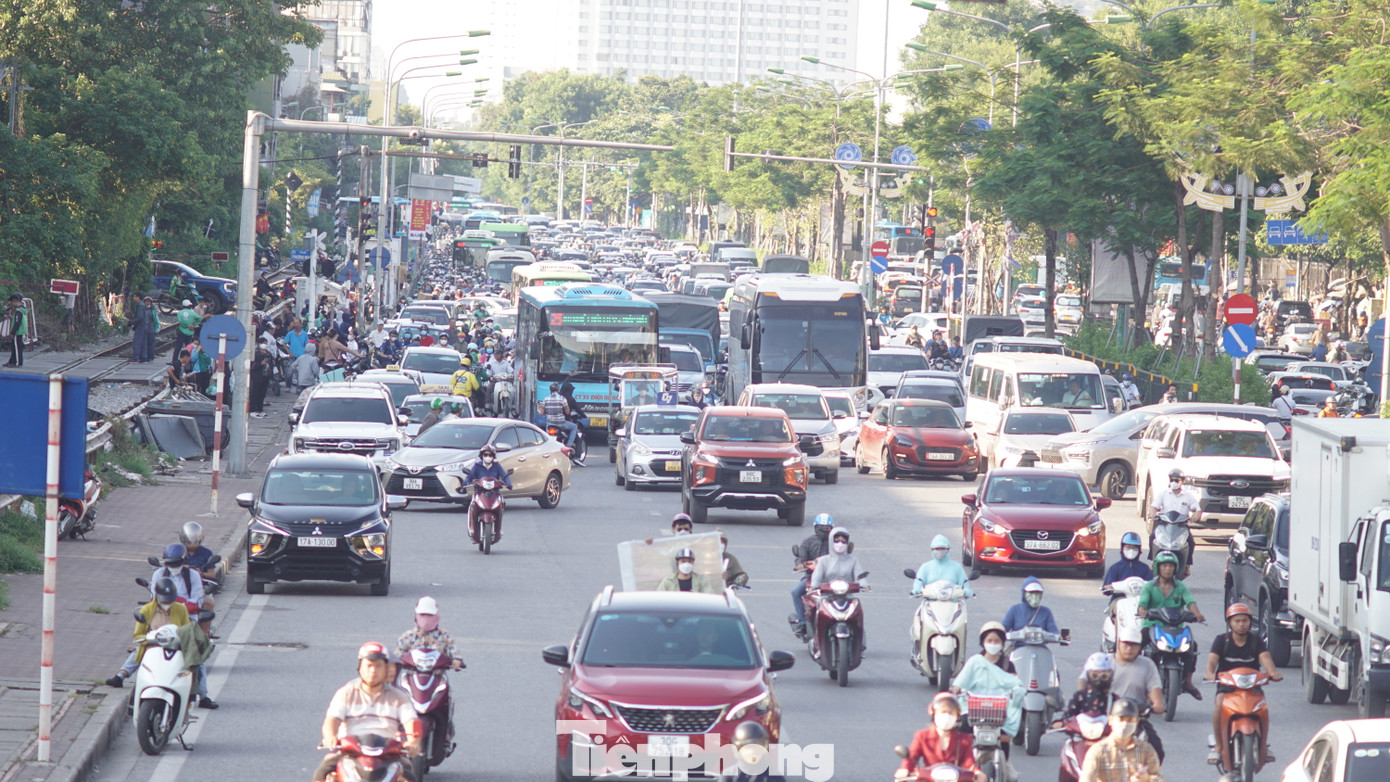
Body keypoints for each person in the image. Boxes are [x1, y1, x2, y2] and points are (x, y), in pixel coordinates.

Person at [314, 642, 422, 782]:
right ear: (360, 667)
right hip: (350, 752)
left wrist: (413, 741)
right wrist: (330, 737)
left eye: (378, 666)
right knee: (322, 772)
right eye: (369, 665)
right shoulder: (346, 693)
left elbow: (411, 722)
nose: (373, 670)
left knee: (408, 774)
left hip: (388, 754)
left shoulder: (399, 697)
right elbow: (332, 720)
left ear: (385, 669)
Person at [1203, 602, 1282, 765]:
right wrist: (1210, 674)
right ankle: (1218, 747)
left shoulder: (1256, 641)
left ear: (1249, 622)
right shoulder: (1221, 641)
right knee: (1219, 704)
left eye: (1244, 621)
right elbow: (1211, 661)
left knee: (1262, 709)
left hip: (1252, 686)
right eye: (1237, 621)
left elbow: (1265, 659)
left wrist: (1272, 672)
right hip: (1227, 686)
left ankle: (1263, 746)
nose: (1241, 624)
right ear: (1230, 623)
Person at [1138, 551, 1206, 699]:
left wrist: (1197, 614)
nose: (1167, 569)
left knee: (1192, 647)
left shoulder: (1181, 587)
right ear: (1158, 567)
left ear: (1175, 568)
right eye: (1164, 566)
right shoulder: (1149, 586)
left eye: (1170, 566)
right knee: (1139, 644)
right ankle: (1138, 680)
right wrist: (1143, 612)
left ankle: (1188, 682)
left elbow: (1190, 602)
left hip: (1176, 628)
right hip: (1152, 626)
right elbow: (1142, 605)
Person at [950, 622, 1023, 758]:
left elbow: (1014, 684)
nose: (993, 643)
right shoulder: (975, 661)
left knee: (1004, 734)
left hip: (999, 710)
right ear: (983, 642)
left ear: (1002, 643)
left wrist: (1016, 691)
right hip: (974, 709)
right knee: (963, 729)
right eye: (989, 640)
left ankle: (1005, 764)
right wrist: (956, 689)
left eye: (997, 641)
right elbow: (959, 682)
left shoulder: (1008, 664)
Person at [1103, 627, 1166, 762]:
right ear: (1118, 642)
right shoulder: (1105, 663)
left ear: (1139, 647)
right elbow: (1090, 689)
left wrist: (1157, 705)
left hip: (1134, 720)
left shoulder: (1147, 665)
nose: (1129, 648)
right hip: (1106, 719)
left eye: (1134, 645)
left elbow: (1155, 690)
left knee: (1157, 751)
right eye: (1126, 644)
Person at [895, 693, 985, 782]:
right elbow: (912, 757)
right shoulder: (922, 736)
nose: (947, 716)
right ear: (934, 714)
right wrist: (905, 769)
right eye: (943, 712)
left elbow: (969, 763)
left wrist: (977, 772)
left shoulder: (964, 739)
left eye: (950, 713)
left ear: (956, 716)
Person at [1077, 699, 1163, 782]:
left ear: (1137, 721)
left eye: (1130, 720)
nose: (1125, 724)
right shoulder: (1098, 751)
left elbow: (1158, 778)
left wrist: (1146, 779)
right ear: (1110, 720)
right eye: (1121, 719)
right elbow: (1087, 778)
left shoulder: (1146, 749)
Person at [1148, 469, 1199, 575]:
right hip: (1164, 525)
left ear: (1182, 481)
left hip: (1181, 527)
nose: (1174, 482)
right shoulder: (1163, 494)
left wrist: (1196, 515)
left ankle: (1186, 566)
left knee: (1191, 542)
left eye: (1177, 480)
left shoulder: (1188, 496)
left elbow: (1197, 509)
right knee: (1152, 537)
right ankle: (1153, 562)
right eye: (1172, 479)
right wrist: (1152, 512)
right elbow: (1154, 506)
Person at [790, 514, 834, 634]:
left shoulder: (836, 544)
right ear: (815, 528)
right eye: (821, 528)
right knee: (795, 592)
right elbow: (801, 557)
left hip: (832, 579)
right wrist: (799, 564)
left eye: (826, 529)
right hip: (811, 577)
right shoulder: (808, 542)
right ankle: (803, 622)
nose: (823, 532)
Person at [395, 596, 464, 668]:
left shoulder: (444, 636)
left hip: (437, 676)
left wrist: (456, 660)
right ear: (416, 616)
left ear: (437, 616)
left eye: (429, 615)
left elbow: (454, 651)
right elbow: (398, 655)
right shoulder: (408, 636)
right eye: (422, 615)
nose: (426, 619)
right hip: (411, 675)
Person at [463, 445, 511, 543]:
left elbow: (504, 476)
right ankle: (472, 529)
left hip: (495, 492)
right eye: (485, 455)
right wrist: (466, 482)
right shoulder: (477, 466)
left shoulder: (497, 466)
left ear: (493, 457)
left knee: (501, 504)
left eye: (490, 455)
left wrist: (508, 483)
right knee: (473, 505)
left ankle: (498, 530)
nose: (488, 457)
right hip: (480, 492)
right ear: (482, 456)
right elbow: (470, 476)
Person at [720, 721, 788, 782]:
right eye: (748, 748)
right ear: (738, 749)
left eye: (758, 747)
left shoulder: (774, 777)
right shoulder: (729, 776)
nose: (753, 752)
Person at [1062, 653, 1115, 721]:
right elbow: (1069, 713)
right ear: (1087, 675)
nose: (1099, 679)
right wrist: (1061, 722)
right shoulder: (1080, 696)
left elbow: (1122, 717)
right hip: (1083, 730)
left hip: (1107, 730)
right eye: (1094, 675)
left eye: (1104, 676)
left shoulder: (1112, 698)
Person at [538, 382, 579, 448]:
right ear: (558, 390)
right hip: (561, 423)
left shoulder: (546, 399)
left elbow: (542, 413)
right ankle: (569, 445)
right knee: (574, 427)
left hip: (550, 424)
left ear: (550, 390)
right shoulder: (562, 398)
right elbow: (567, 412)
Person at [130, 294, 155, 363]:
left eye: (135, 296)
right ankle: (143, 358)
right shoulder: (144, 306)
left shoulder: (140, 306)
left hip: (141, 326)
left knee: (137, 342)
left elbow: (139, 317)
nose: (133, 298)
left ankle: (135, 358)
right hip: (145, 326)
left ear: (138, 297)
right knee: (143, 342)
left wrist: (132, 322)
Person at [249, 345, 272, 417]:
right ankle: (252, 410)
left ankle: (260, 409)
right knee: (255, 394)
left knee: (262, 395)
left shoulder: (268, 354)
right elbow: (252, 366)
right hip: (257, 377)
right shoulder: (256, 354)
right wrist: (260, 364)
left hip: (265, 377)